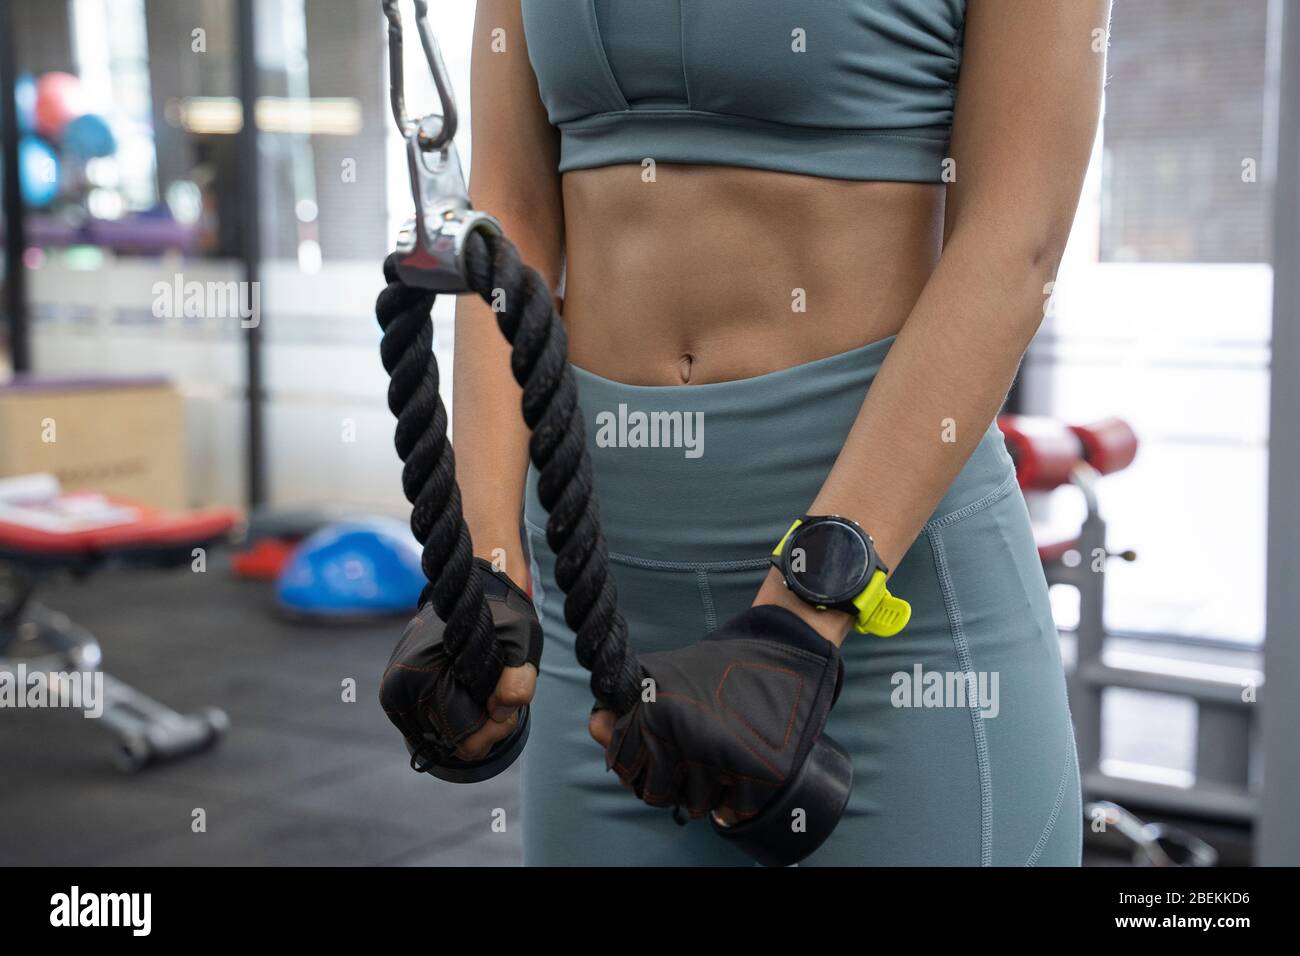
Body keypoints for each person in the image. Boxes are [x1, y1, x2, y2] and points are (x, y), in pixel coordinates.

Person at [451, 0, 1110, 865]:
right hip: (600, 616)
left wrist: (800, 618)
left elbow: (1015, 241)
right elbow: (509, 220)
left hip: (884, 623)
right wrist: (485, 567)